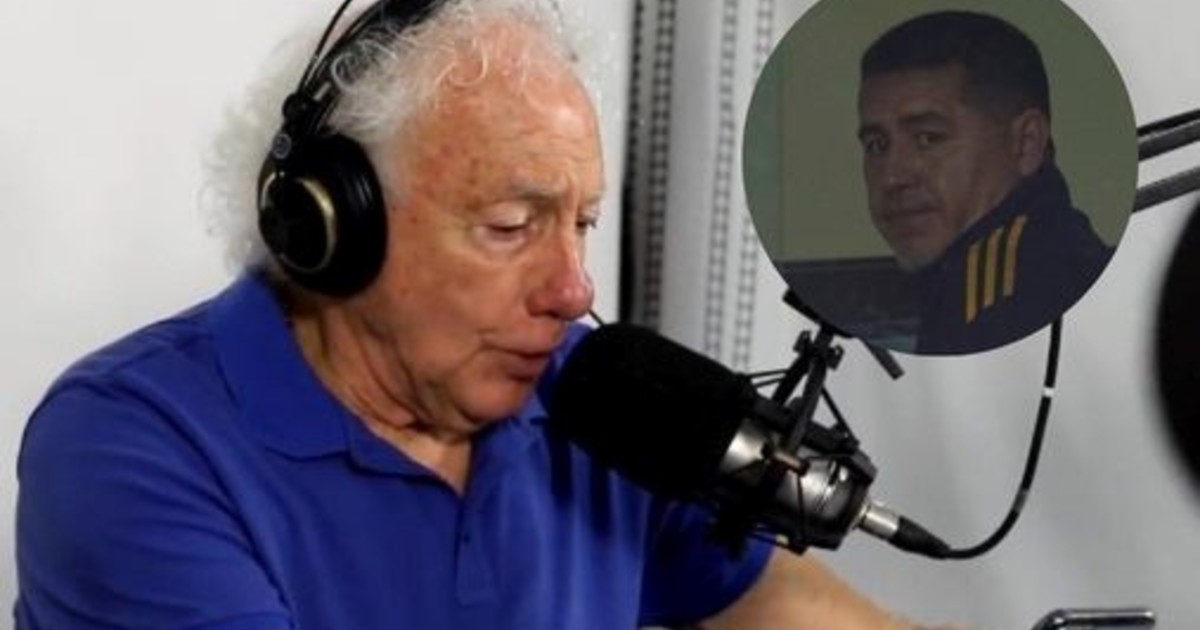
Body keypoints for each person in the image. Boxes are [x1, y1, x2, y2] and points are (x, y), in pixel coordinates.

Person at [16, 1, 952, 628]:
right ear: (334, 226)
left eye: (581, 224)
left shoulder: (594, 393)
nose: (574, 290)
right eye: (511, 226)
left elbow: (774, 599)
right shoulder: (126, 445)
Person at [855, 10, 1113, 355]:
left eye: (928, 138)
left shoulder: (1003, 291)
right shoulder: (1030, 259)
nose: (892, 177)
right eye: (876, 145)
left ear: (1026, 143)